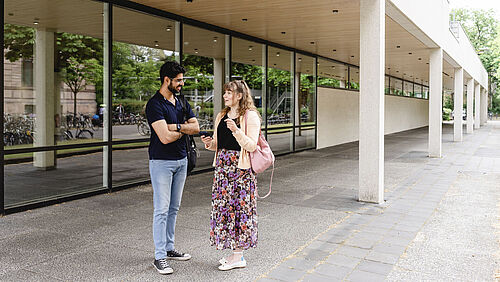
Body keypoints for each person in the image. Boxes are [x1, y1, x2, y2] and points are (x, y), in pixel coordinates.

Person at [145, 61, 200, 275]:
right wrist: (182, 130)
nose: (182, 83)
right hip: (161, 162)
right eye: (178, 80)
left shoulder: (182, 101)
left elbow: (195, 127)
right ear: (166, 80)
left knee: (174, 208)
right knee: (161, 209)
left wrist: (177, 127)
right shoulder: (154, 104)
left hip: (182, 160)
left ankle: (169, 248)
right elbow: (165, 138)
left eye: (182, 79)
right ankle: (159, 257)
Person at [201, 80, 260, 271]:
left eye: (229, 92)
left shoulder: (250, 116)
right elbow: (219, 145)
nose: (225, 96)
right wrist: (209, 143)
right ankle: (234, 254)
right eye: (225, 92)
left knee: (240, 211)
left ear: (240, 96)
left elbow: (251, 145)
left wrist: (236, 131)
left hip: (240, 171)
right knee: (225, 209)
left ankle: (239, 256)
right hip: (222, 169)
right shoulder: (222, 115)